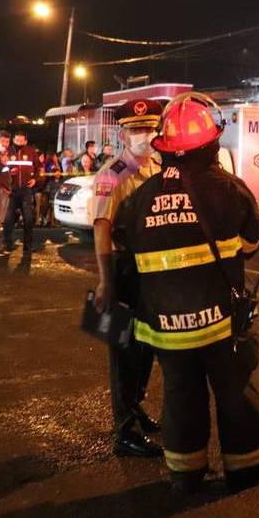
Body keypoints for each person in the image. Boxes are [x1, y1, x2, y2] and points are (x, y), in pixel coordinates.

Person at [114, 92, 259, 495]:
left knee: (180, 394)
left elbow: (125, 249)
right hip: (221, 323)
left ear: (164, 146)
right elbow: (250, 245)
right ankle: (248, 467)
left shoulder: (139, 198)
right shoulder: (231, 189)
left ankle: (185, 474)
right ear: (212, 143)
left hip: (165, 328)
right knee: (234, 392)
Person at [90, 100, 164, 458]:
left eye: (149, 129)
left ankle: (137, 407)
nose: (144, 137)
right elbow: (102, 230)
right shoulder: (112, 173)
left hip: (151, 269)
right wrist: (106, 282)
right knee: (123, 349)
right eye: (136, 130)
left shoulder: (159, 168)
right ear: (122, 134)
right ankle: (125, 430)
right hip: (123, 268)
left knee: (146, 344)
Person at [3, 131, 40, 253]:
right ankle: (8, 244)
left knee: (28, 219)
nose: (19, 143)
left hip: (26, 191)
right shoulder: (7, 152)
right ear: (13, 140)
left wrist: (35, 179)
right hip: (11, 191)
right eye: (16, 140)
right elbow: (0, 169)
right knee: (8, 219)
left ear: (26, 141)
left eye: (21, 141)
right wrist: (8, 174)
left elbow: (38, 168)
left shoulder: (31, 152)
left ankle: (28, 246)